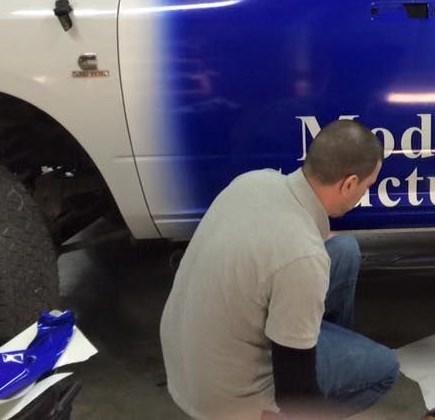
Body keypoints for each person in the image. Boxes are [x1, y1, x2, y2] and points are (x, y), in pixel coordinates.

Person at [160, 119, 399, 419]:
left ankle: (318, 341)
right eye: (367, 186)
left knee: (345, 250)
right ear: (349, 184)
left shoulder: (255, 181)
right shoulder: (303, 259)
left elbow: (281, 244)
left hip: (187, 360)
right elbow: (294, 392)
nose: (365, 193)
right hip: (227, 398)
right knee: (385, 368)